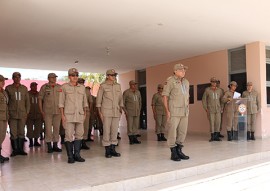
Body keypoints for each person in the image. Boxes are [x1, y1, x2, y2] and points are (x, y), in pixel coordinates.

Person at [59, 68, 88, 164]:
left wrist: (85, 113)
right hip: (69, 115)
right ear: (69, 77)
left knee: (79, 135)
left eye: (76, 75)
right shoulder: (64, 87)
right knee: (68, 136)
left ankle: (77, 155)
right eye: (72, 75)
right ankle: (70, 156)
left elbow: (85, 102)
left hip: (80, 114)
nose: (75, 77)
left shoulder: (82, 87)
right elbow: (61, 103)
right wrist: (62, 115)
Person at [162, 63, 190, 162]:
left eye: (184, 70)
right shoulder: (170, 81)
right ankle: (173, 152)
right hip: (174, 111)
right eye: (181, 70)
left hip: (184, 111)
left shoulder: (186, 82)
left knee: (183, 131)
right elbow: (165, 96)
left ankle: (179, 150)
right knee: (172, 131)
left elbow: (186, 97)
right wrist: (167, 111)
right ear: (175, 71)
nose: (183, 71)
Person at [96, 69, 123, 158]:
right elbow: (99, 100)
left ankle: (113, 149)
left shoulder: (118, 86)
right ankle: (107, 150)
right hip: (106, 111)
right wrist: (99, 112)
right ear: (107, 76)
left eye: (115, 75)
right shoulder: (103, 86)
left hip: (116, 111)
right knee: (107, 130)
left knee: (115, 131)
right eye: (112, 75)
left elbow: (120, 98)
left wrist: (121, 107)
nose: (114, 76)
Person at [6, 72, 30, 156]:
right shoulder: (8, 88)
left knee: (21, 131)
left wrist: (27, 112)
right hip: (12, 114)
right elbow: (6, 102)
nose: (17, 78)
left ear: (20, 78)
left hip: (22, 114)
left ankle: (21, 149)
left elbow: (27, 102)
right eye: (15, 77)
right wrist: (7, 112)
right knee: (13, 132)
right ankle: (15, 150)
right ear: (12, 78)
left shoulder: (24, 88)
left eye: (18, 77)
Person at [39, 73, 62, 153]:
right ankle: (49, 146)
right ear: (48, 78)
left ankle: (55, 145)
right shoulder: (44, 87)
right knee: (48, 129)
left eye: (55, 77)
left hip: (58, 112)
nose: (54, 79)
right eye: (53, 77)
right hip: (47, 112)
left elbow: (63, 99)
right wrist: (41, 111)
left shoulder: (59, 87)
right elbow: (40, 99)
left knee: (56, 129)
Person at [202, 77, 223, 142]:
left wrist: (221, 108)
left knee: (218, 122)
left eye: (215, 82)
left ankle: (217, 137)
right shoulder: (207, 90)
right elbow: (204, 100)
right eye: (213, 82)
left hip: (218, 109)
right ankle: (212, 137)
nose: (214, 83)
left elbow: (221, 100)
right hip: (210, 109)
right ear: (211, 82)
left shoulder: (219, 90)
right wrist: (206, 108)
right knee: (212, 123)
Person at [123, 80, 142, 145]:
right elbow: (123, 103)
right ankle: (131, 139)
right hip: (129, 111)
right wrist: (125, 111)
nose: (135, 86)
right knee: (130, 125)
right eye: (133, 84)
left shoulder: (138, 92)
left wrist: (139, 109)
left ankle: (135, 138)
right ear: (130, 85)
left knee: (136, 125)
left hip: (137, 111)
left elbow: (140, 102)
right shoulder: (126, 92)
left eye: (135, 84)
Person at [77, 78, 93, 150]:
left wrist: (89, 109)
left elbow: (91, 101)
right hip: (77, 111)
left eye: (82, 82)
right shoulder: (75, 89)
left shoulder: (86, 91)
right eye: (80, 82)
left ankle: (83, 142)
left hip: (85, 111)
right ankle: (78, 143)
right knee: (78, 127)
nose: (81, 83)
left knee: (85, 127)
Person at [26, 82, 42, 147]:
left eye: (35, 86)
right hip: (30, 114)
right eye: (33, 86)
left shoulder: (39, 94)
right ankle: (31, 142)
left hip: (38, 114)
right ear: (30, 86)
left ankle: (36, 141)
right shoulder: (27, 94)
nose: (35, 87)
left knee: (37, 129)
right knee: (29, 129)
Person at [0, 75, 9, 163]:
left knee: (2, 135)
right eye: (1, 81)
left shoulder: (4, 92)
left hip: (4, 117)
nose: (3, 82)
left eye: (4, 80)